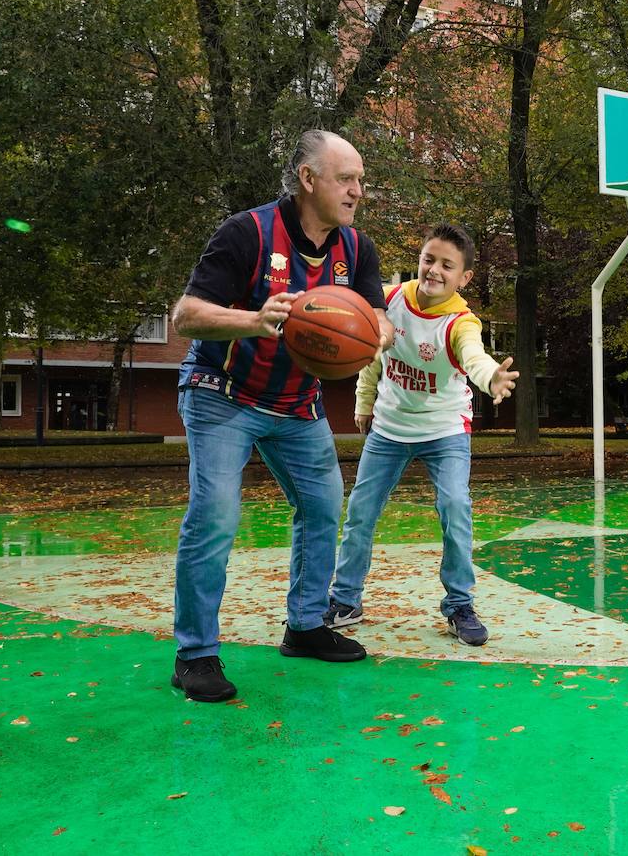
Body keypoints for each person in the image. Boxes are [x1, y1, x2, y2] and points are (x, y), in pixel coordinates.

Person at [170, 130, 395, 703]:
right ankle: (195, 654)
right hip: (223, 392)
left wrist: (375, 333)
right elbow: (186, 316)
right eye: (346, 178)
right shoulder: (246, 232)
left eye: (361, 180)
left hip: (297, 404)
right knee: (216, 514)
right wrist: (253, 319)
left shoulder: (356, 249)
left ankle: (305, 625)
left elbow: (375, 317)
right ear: (308, 179)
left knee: (323, 506)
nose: (357, 191)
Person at [326, 223, 518, 647]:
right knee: (360, 511)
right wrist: (363, 402)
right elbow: (373, 355)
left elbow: (475, 358)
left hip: (444, 427)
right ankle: (345, 599)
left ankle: (459, 605)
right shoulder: (391, 300)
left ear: (463, 277)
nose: (434, 270)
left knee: (454, 506)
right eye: (429, 259)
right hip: (391, 427)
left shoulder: (462, 322)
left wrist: (491, 379)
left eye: (447, 266)